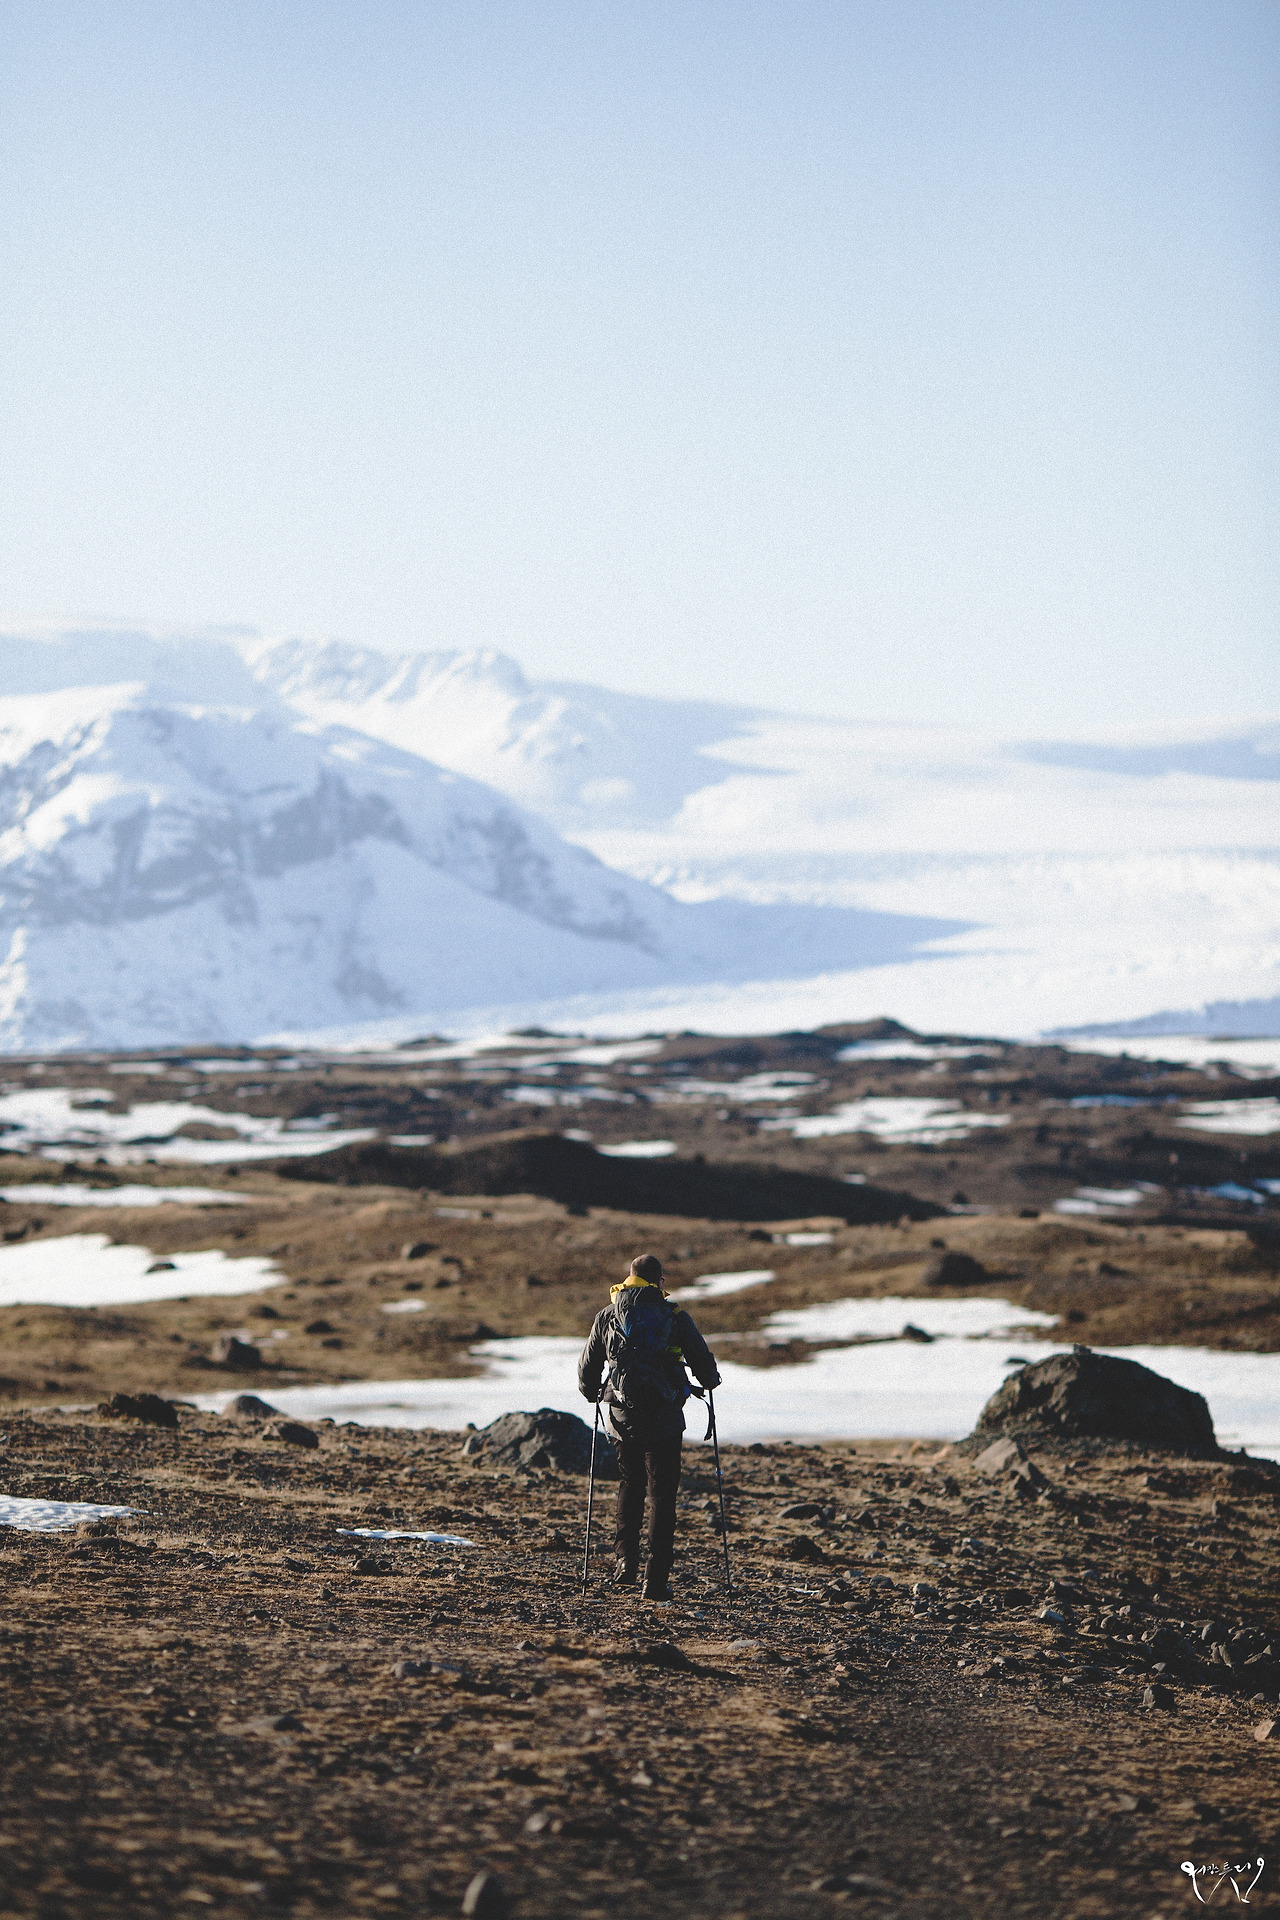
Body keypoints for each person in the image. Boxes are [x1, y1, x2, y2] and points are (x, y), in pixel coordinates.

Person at [577, 1252, 721, 1601]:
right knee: (662, 1495)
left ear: (628, 1278)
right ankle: (654, 1581)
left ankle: (625, 1564)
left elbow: (587, 1370)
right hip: (665, 1416)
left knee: (631, 1485)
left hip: (622, 1416)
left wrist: (594, 1392)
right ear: (659, 1281)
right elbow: (703, 1363)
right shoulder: (674, 1315)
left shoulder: (608, 1315)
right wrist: (709, 1380)